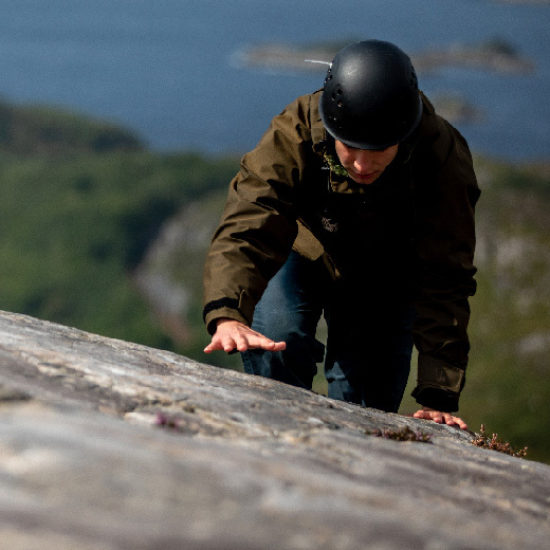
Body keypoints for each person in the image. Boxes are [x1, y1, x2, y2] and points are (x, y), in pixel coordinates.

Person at [202, 39, 480, 430]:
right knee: (278, 343)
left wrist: (439, 392)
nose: (363, 164)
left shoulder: (441, 154)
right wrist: (226, 313)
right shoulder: (296, 129)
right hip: (303, 251)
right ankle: (276, 449)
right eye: (350, 146)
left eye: (380, 148)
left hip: (386, 272)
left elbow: (447, 273)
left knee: (366, 406)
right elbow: (251, 219)